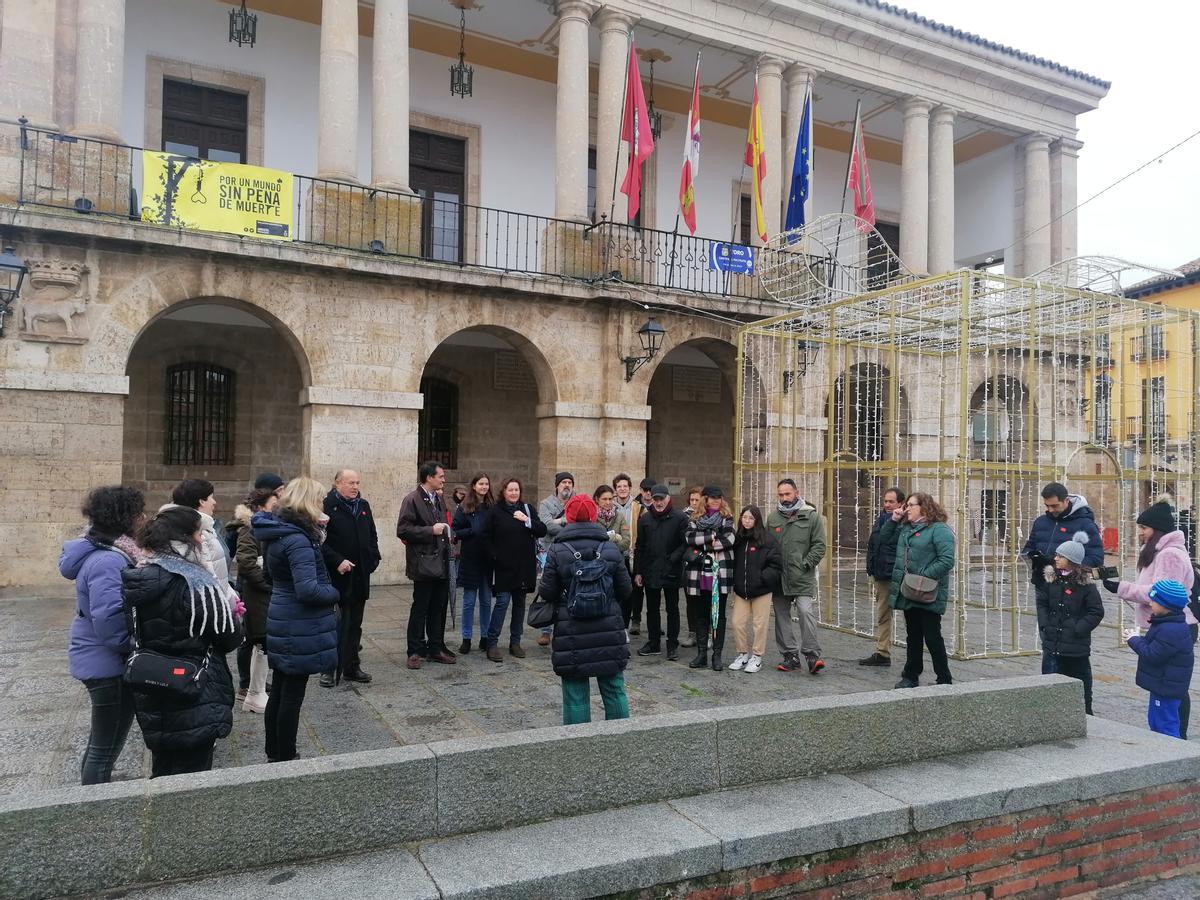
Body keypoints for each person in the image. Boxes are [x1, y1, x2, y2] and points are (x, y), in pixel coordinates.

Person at [123, 506, 243, 776]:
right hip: (194, 686)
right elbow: (228, 638)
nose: (202, 540)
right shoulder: (198, 582)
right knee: (193, 773)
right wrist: (234, 617)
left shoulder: (138, 575)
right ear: (186, 539)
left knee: (163, 767)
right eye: (199, 533)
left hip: (152, 683)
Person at [60, 486, 145, 785]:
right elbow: (109, 620)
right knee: (104, 745)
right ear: (124, 518)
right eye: (138, 513)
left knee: (103, 739)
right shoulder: (110, 560)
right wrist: (135, 646)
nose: (143, 517)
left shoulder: (110, 552)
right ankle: (94, 797)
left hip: (101, 657)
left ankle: (97, 782)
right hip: (107, 662)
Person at [252, 478, 340, 762]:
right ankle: (285, 755)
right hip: (298, 623)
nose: (324, 505)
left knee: (281, 689)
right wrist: (335, 592)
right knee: (291, 695)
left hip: (282, 615)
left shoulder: (278, 532)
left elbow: (269, 577)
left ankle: (274, 750)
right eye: (321, 499)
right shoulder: (298, 539)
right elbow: (308, 589)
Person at [1103, 501, 1198, 738]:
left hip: (1177, 626)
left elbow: (1161, 593)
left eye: (1144, 527)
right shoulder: (1161, 552)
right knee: (1168, 686)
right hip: (1166, 625)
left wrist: (1122, 588)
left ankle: (1176, 738)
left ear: (1157, 529)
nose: (1141, 532)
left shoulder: (1169, 555)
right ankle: (1170, 736)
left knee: (1174, 689)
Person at [538, 493, 633, 725]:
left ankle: (577, 746)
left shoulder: (558, 551)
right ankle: (622, 738)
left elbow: (547, 592)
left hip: (571, 627)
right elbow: (626, 589)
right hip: (608, 627)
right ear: (593, 515)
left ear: (567, 515)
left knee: (575, 694)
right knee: (613, 687)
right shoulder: (610, 548)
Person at [883, 491, 956, 689]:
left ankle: (944, 677)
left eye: (911, 505)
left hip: (928, 591)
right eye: (906, 505)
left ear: (924, 507)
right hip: (909, 589)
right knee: (913, 634)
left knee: (932, 636)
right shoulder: (906, 528)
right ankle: (911, 675)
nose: (907, 509)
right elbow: (884, 540)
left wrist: (924, 576)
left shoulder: (939, 529)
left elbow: (947, 560)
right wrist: (894, 520)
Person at [320, 469, 382, 688]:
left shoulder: (362, 505)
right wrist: (337, 561)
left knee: (355, 623)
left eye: (357, 482)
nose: (355, 486)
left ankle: (351, 666)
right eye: (350, 483)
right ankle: (328, 669)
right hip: (337, 575)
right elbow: (320, 542)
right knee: (335, 623)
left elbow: (372, 535)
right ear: (337, 483)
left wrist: (373, 558)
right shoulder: (326, 506)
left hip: (359, 575)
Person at [1035, 533, 1104, 714]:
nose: (1055, 558)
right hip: (1052, 644)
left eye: (1060, 556)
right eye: (1056, 555)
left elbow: (1096, 611)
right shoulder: (1051, 580)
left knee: (1080, 690)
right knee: (1049, 689)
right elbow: (1042, 602)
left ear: (1071, 560)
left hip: (1075, 649)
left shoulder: (1086, 586)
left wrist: (1078, 629)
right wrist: (1044, 624)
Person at [396, 461, 456, 669]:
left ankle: (435, 647)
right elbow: (403, 530)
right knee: (420, 608)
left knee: (438, 608)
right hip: (423, 564)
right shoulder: (412, 499)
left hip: (440, 563)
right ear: (429, 477)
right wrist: (431, 530)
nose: (443, 479)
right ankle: (414, 650)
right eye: (440, 476)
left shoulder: (438, 498)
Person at [766, 479, 827, 674]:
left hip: (802, 576)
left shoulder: (811, 517)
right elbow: (767, 546)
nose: (784, 498)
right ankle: (790, 656)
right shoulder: (773, 518)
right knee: (781, 616)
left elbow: (819, 545)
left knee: (805, 611)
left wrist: (806, 564)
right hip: (779, 577)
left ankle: (811, 655)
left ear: (796, 493)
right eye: (781, 495)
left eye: (787, 494)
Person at [484, 477, 547, 662]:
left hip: (523, 567)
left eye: (516, 490)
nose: (513, 493)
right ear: (503, 491)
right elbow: (485, 537)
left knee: (519, 605)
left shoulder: (527, 509)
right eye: (510, 490)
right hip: (503, 567)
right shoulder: (495, 512)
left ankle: (515, 642)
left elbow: (542, 530)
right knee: (502, 603)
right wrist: (495, 556)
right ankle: (492, 643)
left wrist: (527, 520)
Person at [1126, 580, 1195, 739]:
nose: (1150, 603)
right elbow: (1158, 646)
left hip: (1166, 686)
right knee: (1157, 721)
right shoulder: (1168, 623)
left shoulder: (1170, 629)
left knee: (1165, 725)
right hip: (1163, 684)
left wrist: (1134, 639)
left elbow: (1153, 654)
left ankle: (1172, 757)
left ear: (1166, 605)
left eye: (1154, 600)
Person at [233, 487, 278, 713]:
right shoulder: (249, 531)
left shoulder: (268, 529)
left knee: (260, 639)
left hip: (262, 593)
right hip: (254, 593)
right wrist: (269, 583)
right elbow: (247, 564)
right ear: (261, 507)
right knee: (251, 638)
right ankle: (247, 686)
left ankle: (256, 686)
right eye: (273, 503)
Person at [683, 486, 736, 671]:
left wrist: (704, 542)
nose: (715, 501)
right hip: (699, 574)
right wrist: (712, 537)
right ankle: (701, 655)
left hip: (719, 574)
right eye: (712, 497)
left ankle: (717, 656)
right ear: (705, 499)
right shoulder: (695, 518)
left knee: (718, 615)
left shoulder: (727, 519)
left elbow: (729, 539)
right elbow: (689, 537)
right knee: (701, 614)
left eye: (718, 497)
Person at [633, 484, 688, 660]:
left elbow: (684, 543)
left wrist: (673, 558)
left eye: (661, 499)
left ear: (668, 499)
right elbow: (639, 547)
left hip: (671, 569)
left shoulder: (680, 518)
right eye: (655, 499)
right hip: (651, 570)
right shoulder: (645, 519)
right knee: (652, 609)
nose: (658, 503)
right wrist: (638, 572)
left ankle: (672, 644)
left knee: (672, 609)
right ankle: (654, 642)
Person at [729, 505, 783, 674]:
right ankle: (743, 653)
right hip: (741, 590)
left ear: (757, 520)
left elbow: (776, 564)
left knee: (759, 624)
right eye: (744, 517)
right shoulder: (737, 539)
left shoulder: (768, 540)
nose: (747, 521)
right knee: (737, 622)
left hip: (761, 590)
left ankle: (757, 656)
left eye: (751, 518)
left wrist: (762, 578)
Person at [1022, 482, 1104, 584]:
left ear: (1066, 501)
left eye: (1054, 506)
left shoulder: (1085, 525)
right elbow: (1028, 548)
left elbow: (1096, 558)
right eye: (1047, 506)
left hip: (1070, 586)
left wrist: (1065, 565)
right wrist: (1034, 557)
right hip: (1041, 584)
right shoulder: (1040, 522)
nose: (1050, 510)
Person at [861, 487, 906, 667]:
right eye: (885, 501)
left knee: (909, 615)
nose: (887, 505)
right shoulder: (882, 518)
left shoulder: (906, 521)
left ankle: (912, 653)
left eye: (891, 502)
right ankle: (882, 652)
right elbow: (875, 544)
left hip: (896, 573)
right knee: (883, 613)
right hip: (881, 572)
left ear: (901, 503)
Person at [452, 473, 495, 655]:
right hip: (470, 558)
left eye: (486, 484)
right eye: (481, 484)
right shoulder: (464, 506)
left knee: (486, 600)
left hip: (487, 558)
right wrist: (472, 531)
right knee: (469, 601)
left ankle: (485, 636)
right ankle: (466, 638)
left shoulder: (492, 507)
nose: (484, 487)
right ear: (474, 486)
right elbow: (456, 529)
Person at [165, 479, 231, 588]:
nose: (214, 502)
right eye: (211, 497)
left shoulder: (206, 527)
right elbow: (209, 578)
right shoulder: (197, 532)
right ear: (202, 501)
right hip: (211, 600)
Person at [536, 472, 575, 645]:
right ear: (557, 485)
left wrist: (557, 521)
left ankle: (568, 628)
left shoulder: (577, 502)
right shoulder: (546, 503)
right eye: (563, 482)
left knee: (570, 590)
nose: (566, 485)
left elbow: (580, 522)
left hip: (571, 552)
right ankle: (546, 630)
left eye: (569, 482)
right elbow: (546, 526)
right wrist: (566, 523)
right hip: (550, 551)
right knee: (548, 589)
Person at [626, 477, 656, 634]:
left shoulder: (659, 505)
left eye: (650, 490)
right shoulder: (634, 506)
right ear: (641, 491)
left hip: (655, 553)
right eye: (645, 490)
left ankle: (654, 622)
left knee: (653, 590)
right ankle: (635, 620)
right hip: (638, 549)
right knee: (637, 589)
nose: (648, 493)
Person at [679, 485, 704, 648]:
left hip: (705, 562)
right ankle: (692, 633)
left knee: (705, 601)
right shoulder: (683, 516)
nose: (694, 503)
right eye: (692, 500)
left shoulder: (708, 516)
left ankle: (706, 633)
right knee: (690, 600)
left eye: (697, 499)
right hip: (689, 562)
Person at [594, 485, 631, 557]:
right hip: (598, 561)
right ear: (597, 499)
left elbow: (626, 542)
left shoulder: (619, 516)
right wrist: (615, 538)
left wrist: (606, 548)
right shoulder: (592, 517)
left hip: (617, 560)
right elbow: (592, 543)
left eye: (610, 499)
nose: (608, 502)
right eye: (604, 499)